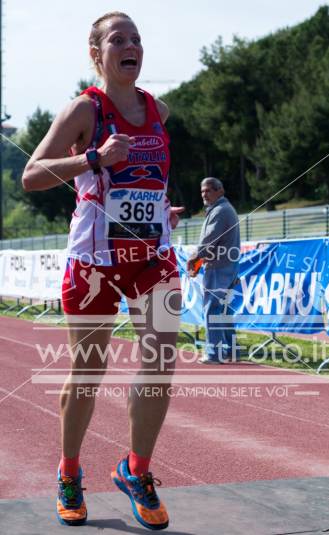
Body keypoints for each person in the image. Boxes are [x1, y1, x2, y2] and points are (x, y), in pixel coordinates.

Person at [22, 11, 184, 531]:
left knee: (161, 361)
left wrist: (161, 208)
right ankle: (69, 472)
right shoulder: (85, 109)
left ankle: (136, 471)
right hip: (95, 262)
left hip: (151, 258)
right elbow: (32, 175)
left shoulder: (158, 109)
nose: (130, 45)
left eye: (136, 38)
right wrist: (93, 157)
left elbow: (145, 182)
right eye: (119, 39)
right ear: (97, 54)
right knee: (87, 375)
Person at [187, 177, 240, 364]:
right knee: (222, 310)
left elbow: (208, 242)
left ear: (220, 191)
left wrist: (193, 259)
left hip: (219, 267)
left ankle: (213, 353)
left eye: (208, 190)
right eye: (202, 191)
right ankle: (231, 351)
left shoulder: (220, 211)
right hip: (226, 265)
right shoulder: (222, 209)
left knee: (212, 310)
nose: (204, 194)